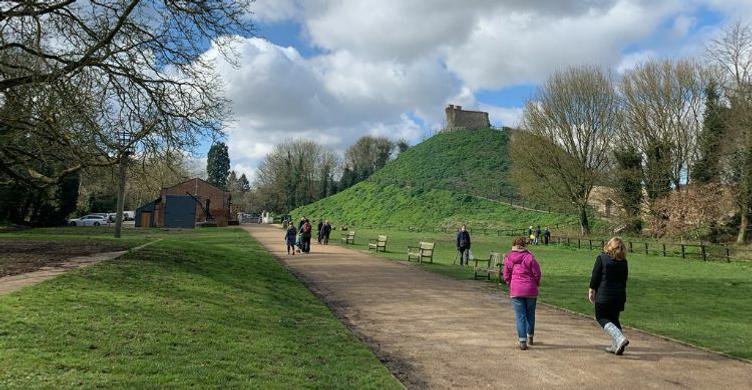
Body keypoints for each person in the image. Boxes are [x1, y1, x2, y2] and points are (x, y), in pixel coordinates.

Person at [589, 237, 630, 355]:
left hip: (604, 295)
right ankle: (616, 345)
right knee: (614, 319)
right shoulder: (624, 262)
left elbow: (595, 276)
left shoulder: (602, 258)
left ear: (610, 246)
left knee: (601, 317)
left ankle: (619, 338)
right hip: (619, 296)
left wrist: (592, 290)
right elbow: (624, 279)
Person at [502, 237, 542, 350]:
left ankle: (522, 341)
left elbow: (506, 274)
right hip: (530, 289)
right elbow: (537, 273)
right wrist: (537, 282)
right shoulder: (529, 257)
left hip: (516, 290)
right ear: (525, 245)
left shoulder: (509, 257)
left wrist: (510, 282)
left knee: (520, 316)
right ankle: (530, 336)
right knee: (530, 315)